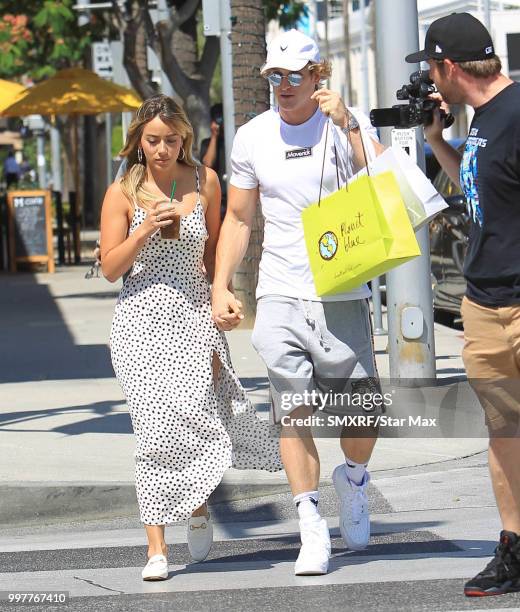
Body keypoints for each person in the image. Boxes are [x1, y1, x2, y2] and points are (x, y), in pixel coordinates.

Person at [211, 29, 385, 576]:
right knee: (293, 410)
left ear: (318, 77)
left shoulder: (345, 125)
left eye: (294, 75)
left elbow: (386, 184)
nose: (283, 86)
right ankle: (310, 524)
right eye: (274, 77)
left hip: (340, 288)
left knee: (362, 415)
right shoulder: (254, 136)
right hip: (280, 291)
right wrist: (222, 285)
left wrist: (350, 126)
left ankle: (352, 479)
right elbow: (239, 218)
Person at [100, 95, 281, 581]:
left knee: (196, 420)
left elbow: (215, 251)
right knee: (154, 430)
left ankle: (198, 506)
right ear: (138, 139)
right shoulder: (122, 191)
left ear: (185, 138)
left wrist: (221, 297)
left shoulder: (205, 182)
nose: (162, 150)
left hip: (191, 314)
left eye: (171, 140)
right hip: (139, 320)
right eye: (152, 140)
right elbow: (109, 269)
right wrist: (141, 235)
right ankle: (155, 548)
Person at [406, 12, 520, 597]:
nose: (428, 79)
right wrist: (434, 141)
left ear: (449, 66)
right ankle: (514, 549)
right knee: (505, 432)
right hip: (484, 304)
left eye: (429, 66)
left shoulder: (517, 115)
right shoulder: (477, 125)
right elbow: (476, 196)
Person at [200, 103, 227, 219]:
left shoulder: (234, 140)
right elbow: (208, 164)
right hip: (217, 199)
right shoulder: (207, 143)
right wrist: (214, 136)